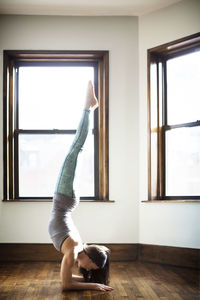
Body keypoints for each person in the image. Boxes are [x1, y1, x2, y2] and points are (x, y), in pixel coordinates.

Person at [48, 81, 113, 292]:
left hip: (66, 200)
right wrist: (94, 286)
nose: (87, 270)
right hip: (64, 198)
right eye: (91, 267)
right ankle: (88, 107)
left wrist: (92, 281)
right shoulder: (74, 250)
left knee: (77, 150)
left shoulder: (77, 248)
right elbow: (66, 286)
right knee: (77, 148)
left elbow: (65, 280)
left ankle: (89, 108)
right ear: (89, 257)